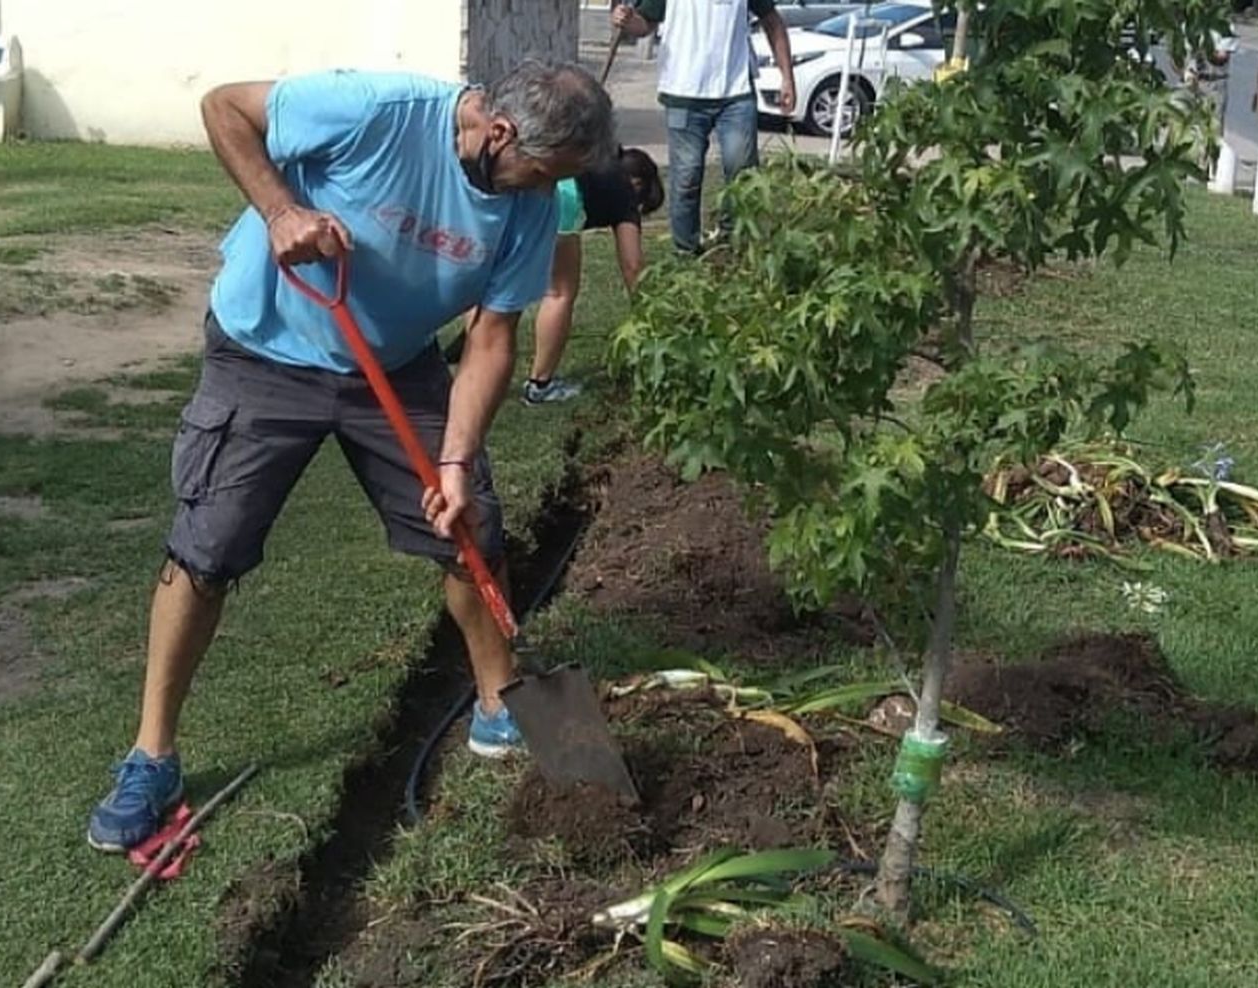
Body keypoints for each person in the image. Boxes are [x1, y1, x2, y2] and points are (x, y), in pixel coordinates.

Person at [85, 61, 615, 853]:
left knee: (472, 531)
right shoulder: (376, 109)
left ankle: (503, 704)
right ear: (498, 134)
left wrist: (458, 463)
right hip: (266, 347)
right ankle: (151, 755)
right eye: (545, 173)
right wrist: (279, 210)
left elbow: (493, 337)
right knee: (207, 550)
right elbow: (224, 106)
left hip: (396, 367)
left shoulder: (529, 203)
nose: (548, 192)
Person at [444, 147, 665, 404]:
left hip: (521, 183)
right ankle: (540, 384)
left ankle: (472, 363)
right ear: (637, 184)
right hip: (562, 199)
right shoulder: (623, 192)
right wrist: (650, 316)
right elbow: (633, 265)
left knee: (489, 282)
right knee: (559, 292)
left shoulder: (595, 159)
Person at [611, 0, 796, 255]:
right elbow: (645, 23)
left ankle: (733, 244)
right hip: (682, 92)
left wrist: (787, 77)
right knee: (686, 179)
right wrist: (626, 19)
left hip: (736, 92)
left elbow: (772, 21)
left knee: (742, 173)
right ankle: (686, 251)